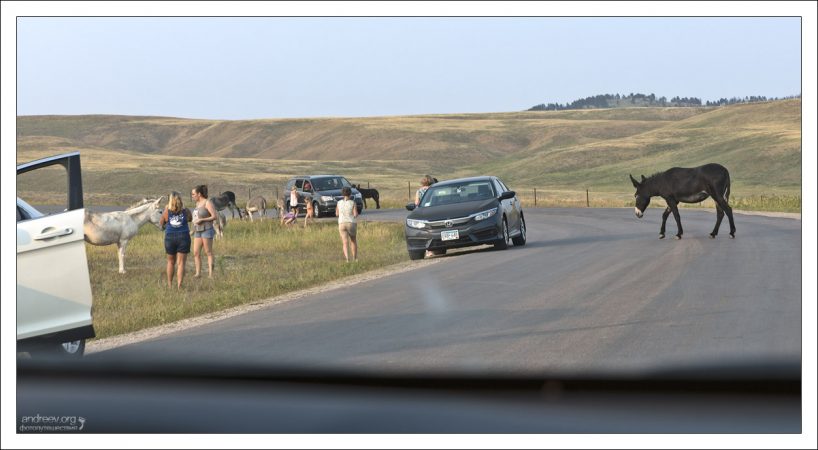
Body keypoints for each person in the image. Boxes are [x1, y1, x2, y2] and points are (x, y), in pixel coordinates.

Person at [159, 191, 192, 289]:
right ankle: (179, 285)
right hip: (184, 237)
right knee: (181, 263)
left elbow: (161, 223)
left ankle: (169, 284)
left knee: (170, 262)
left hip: (170, 237)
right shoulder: (185, 211)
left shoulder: (166, 211)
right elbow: (190, 219)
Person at [191, 184, 218, 278]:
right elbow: (195, 218)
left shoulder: (207, 203)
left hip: (207, 230)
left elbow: (214, 216)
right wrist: (193, 230)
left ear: (199, 194)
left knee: (208, 252)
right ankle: (198, 273)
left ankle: (211, 274)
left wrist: (202, 220)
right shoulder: (197, 204)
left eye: (193, 194)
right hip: (197, 231)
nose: (192, 196)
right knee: (196, 252)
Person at [336, 186, 359, 262]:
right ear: (350, 193)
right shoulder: (353, 202)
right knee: (353, 240)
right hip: (351, 222)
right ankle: (355, 258)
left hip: (341, 223)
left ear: (342, 193)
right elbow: (355, 214)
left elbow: (337, 214)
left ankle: (347, 259)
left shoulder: (339, 203)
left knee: (345, 242)